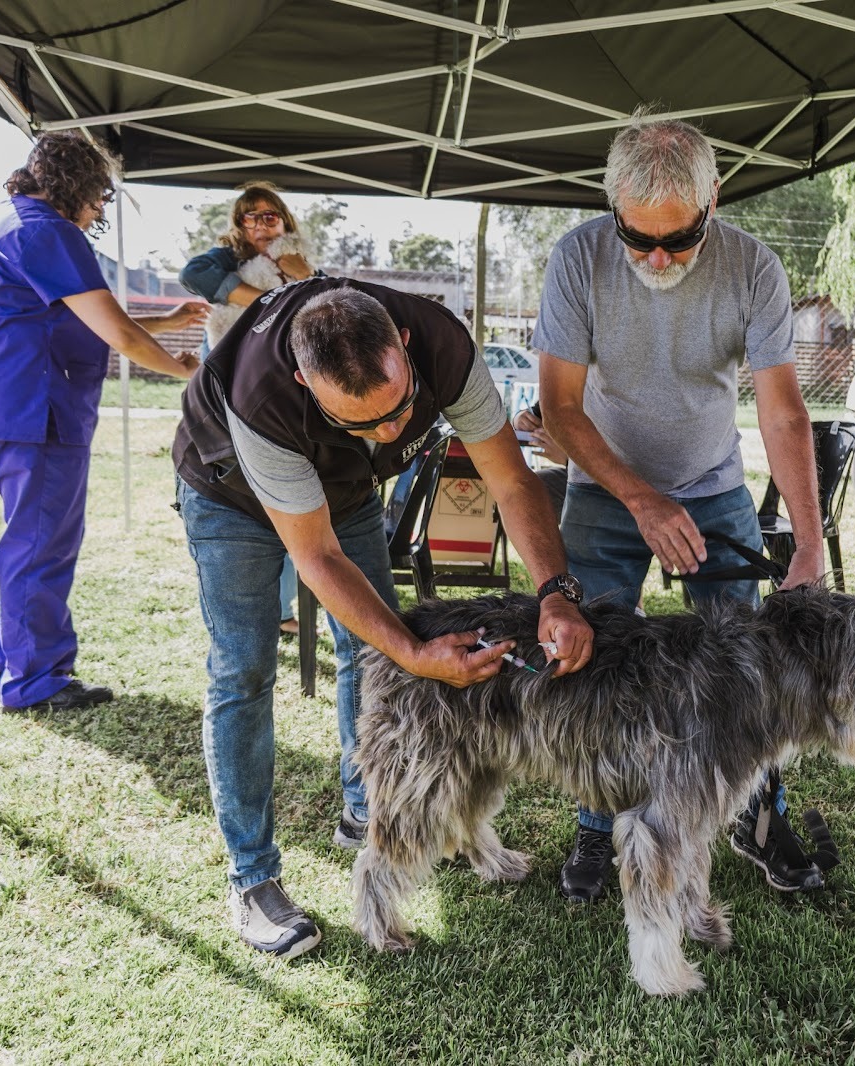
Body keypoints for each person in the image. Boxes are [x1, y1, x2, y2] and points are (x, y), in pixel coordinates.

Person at [173, 277, 595, 959]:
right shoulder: (264, 394)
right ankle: (253, 878)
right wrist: (414, 652)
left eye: (397, 410)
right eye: (362, 423)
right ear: (308, 385)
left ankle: (369, 809)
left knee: (367, 652)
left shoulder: (444, 346)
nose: (391, 432)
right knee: (244, 670)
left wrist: (555, 588)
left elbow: (512, 480)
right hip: (230, 491)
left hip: (344, 487)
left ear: (403, 346)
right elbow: (315, 558)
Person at [534, 111, 828, 904]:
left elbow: (783, 414)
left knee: (749, 668)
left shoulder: (754, 269)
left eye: (680, 237)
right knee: (589, 656)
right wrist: (639, 498)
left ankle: (760, 817)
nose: (658, 258)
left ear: (715, 201)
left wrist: (809, 544)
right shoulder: (576, 259)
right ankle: (599, 824)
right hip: (605, 486)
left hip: (714, 483)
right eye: (638, 240)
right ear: (611, 212)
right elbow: (559, 408)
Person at [0, 132, 204, 712]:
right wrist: (183, 372)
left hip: (9, 399)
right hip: (34, 404)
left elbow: (84, 313)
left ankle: (0, 652)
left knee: (28, 532)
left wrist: (165, 324)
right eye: (97, 200)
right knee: (42, 539)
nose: (96, 213)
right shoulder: (48, 230)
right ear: (76, 188)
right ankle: (36, 680)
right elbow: (115, 331)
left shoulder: (7, 221)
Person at [181, 182, 319, 636]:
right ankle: (246, 615)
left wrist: (298, 275)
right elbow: (193, 274)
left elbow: (321, 305)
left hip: (281, 394)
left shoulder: (298, 259)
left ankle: (280, 612)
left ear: (284, 220)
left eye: (269, 216)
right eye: (249, 216)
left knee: (286, 502)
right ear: (238, 224)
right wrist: (265, 295)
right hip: (228, 392)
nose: (259, 224)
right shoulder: (225, 260)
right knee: (240, 506)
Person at [513, 400, 568, 518]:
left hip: (608, 483)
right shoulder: (574, 383)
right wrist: (520, 419)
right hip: (577, 471)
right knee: (521, 492)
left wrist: (568, 459)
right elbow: (537, 412)